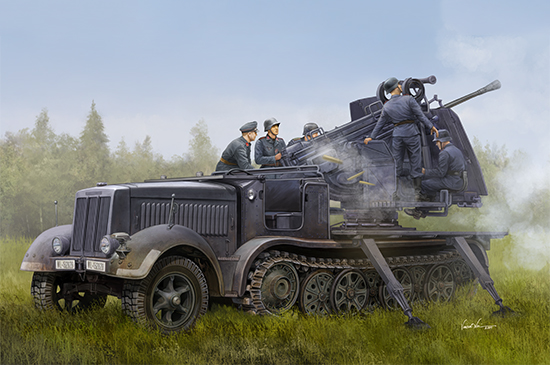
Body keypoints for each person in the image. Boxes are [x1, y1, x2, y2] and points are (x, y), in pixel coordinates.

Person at [364, 77, 438, 200]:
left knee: (397, 164)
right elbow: (420, 116)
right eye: (399, 84)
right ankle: (417, 194)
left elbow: (380, 124)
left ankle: (396, 194)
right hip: (411, 133)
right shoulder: (408, 99)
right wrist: (431, 126)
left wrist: (371, 137)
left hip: (397, 135)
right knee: (416, 162)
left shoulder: (387, 106)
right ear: (398, 87)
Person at [405, 129, 466, 219]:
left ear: (441, 141)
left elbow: (440, 173)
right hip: (458, 180)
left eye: (437, 142)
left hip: (451, 181)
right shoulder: (456, 150)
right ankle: (426, 206)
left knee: (424, 184)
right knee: (430, 182)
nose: (436, 145)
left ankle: (420, 210)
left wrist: (424, 171)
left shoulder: (444, 153)